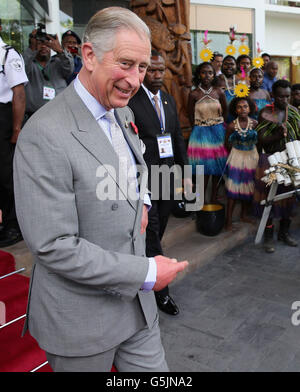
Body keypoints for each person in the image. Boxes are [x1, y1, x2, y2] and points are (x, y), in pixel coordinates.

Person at [14, 7, 188, 372]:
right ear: (89, 56)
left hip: (138, 312)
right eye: (126, 63)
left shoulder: (122, 111)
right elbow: (53, 245)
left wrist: (139, 200)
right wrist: (146, 273)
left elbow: (136, 165)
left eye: (141, 67)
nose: (136, 79)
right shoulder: (43, 134)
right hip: (82, 322)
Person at [128, 50, 189, 316]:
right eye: (152, 70)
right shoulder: (131, 100)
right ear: (142, 70)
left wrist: (185, 173)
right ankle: (160, 293)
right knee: (151, 231)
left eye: (161, 70)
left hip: (167, 176)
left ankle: (145, 265)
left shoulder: (166, 99)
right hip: (143, 178)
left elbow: (176, 136)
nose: (157, 75)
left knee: (160, 227)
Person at [254, 79, 300, 253]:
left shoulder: (294, 112)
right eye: (281, 96)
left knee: (288, 198)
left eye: (288, 96)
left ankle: (284, 232)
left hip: (290, 160)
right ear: (273, 95)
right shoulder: (265, 113)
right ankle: (268, 236)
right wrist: (278, 136)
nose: (285, 100)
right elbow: (261, 140)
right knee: (269, 199)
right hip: (270, 160)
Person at [0, 19, 28, 247]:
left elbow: (18, 93)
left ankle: (14, 226)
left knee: (7, 177)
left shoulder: (8, 55)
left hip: (5, 117)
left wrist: (16, 129)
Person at [187, 62, 228, 203]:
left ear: (213, 75)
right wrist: (199, 128)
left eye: (210, 72)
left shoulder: (219, 92)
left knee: (217, 168)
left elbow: (225, 110)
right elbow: (190, 115)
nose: (207, 75)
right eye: (204, 72)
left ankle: (213, 199)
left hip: (218, 133)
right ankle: (200, 202)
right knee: (202, 171)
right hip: (200, 134)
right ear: (199, 74)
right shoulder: (194, 94)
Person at [224, 97, 259, 231]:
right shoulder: (232, 126)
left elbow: (259, 141)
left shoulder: (255, 123)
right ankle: (228, 222)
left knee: (248, 186)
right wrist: (235, 153)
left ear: (250, 108)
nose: (243, 109)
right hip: (236, 157)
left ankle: (244, 215)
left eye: (245, 106)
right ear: (235, 109)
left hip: (252, 156)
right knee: (233, 188)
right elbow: (226, 143)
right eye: (239, 107)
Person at [23, 29, 74, 118]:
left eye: (46, 44)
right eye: (40, 43)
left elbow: (70, 68)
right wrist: (32, 48)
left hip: (59, 115)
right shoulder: (29, 64)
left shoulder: (58, 61)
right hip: (34, 117)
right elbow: (21, 68)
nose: (43, 46)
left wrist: (60, 51)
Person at [217, 55, 237, 122]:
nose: (229, 66)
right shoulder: (216, 80)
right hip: (221, 116)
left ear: (236, 66)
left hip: (238, 115)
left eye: (232, 64)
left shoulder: (240, 80)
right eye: (226, 64)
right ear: (222, 66)